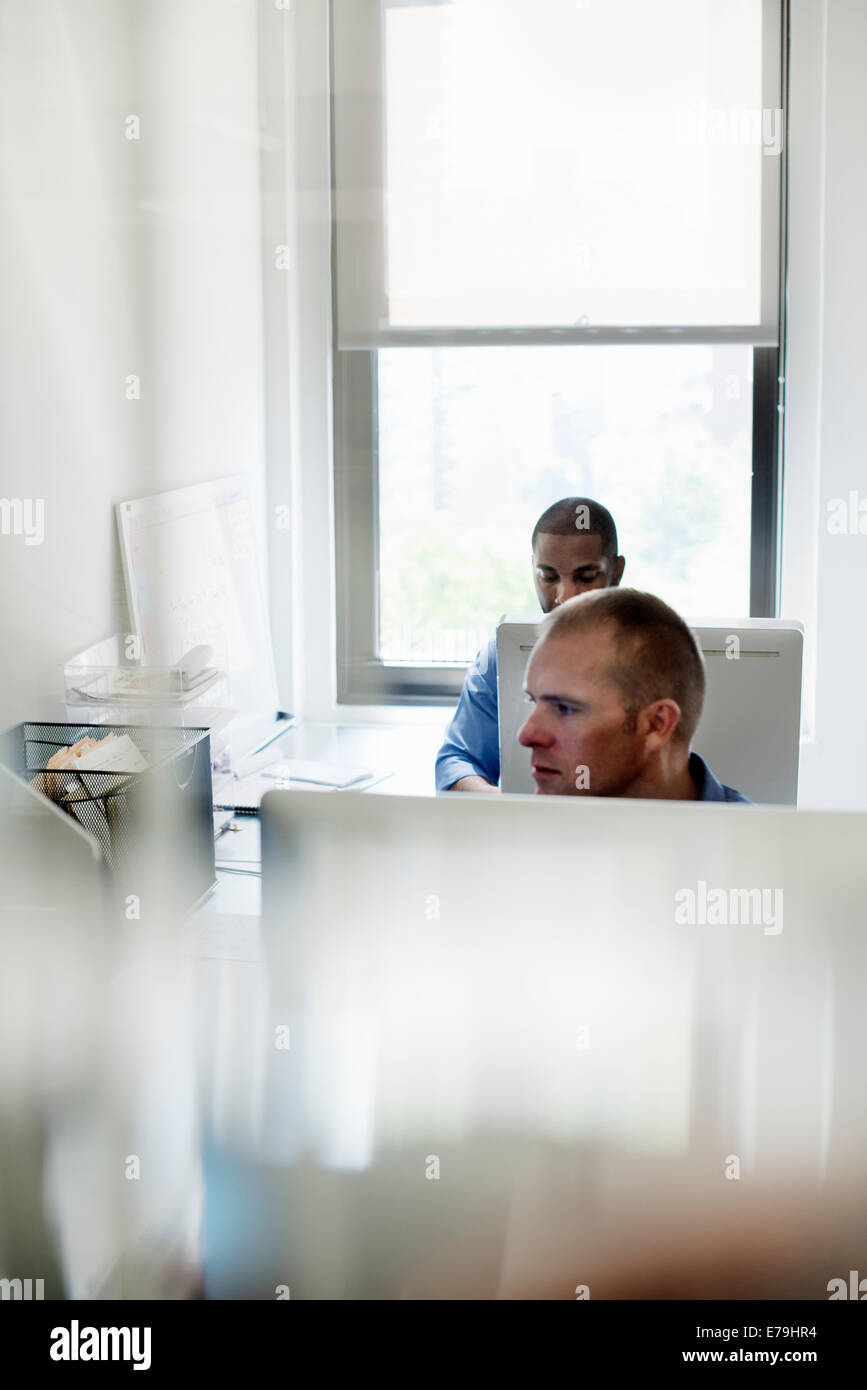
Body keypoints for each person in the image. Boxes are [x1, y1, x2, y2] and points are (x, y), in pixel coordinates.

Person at [435, 498, 625, 792]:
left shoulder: (654, 653)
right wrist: (516, 812)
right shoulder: (503, 655)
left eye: (585, 577)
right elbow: (457, 762)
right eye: (548, 576)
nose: (564, 596)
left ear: (616, 572)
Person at [518, 588, 749, 802]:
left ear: (656, 724)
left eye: (564, 708)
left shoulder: (761, 844)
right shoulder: (524, 840)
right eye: (533, 700)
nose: (527, 735)